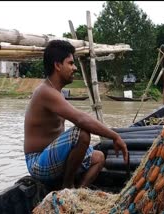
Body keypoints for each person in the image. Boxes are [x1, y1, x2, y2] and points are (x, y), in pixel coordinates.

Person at [24, 40, 128, 189]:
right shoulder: (45, 92)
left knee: (99, 158)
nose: (75, 67)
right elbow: (80, 119)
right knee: (81, 133)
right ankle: (68, 186)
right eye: (71, 63)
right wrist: (115, 136)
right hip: (38, 162)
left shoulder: (56, 92)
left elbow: (80, 118)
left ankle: (78, 192)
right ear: (57, 65)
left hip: (54, 159)